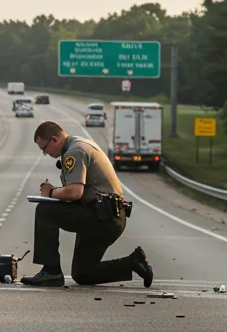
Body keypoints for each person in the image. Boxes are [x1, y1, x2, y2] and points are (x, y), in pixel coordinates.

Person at [21, 120, 154, 287]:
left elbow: (75, 192)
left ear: (54, 140)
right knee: (83, 273)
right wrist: (56, 192)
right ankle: (133, 262)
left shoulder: (75, 151)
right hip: (108, 215)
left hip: (103, 216)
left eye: (44, 148)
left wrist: (51, 192)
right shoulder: (79, 144)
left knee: (45, 210)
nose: (45, 153)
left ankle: (51, 272)